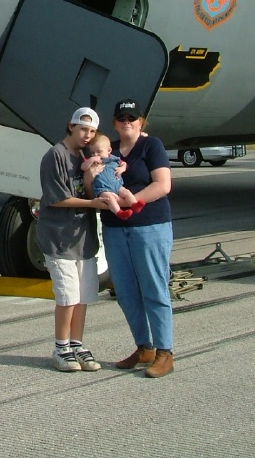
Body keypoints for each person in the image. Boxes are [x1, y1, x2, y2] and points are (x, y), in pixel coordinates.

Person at [88, 99, 173, 378]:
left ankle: (164, 352)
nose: (127, 122)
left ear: (141, 121)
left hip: (149, 225)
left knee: (153, 288)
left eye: (132, 118)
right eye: (122, 118)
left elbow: (162, 185)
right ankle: (143, 347)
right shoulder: (106, 149)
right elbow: (92, 186)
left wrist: (132, 201)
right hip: (114, 227)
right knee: (124, 291)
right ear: (114, 122)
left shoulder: (151, 146)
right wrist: (91, 176)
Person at [36, 107, 109, 372]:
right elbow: (57, 198)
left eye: (92, 131)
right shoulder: (55, 155)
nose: (87, 135)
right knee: (67, 296)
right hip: (60, 239)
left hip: (84, 239)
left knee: (83, 296)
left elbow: (93, 187)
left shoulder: (86, 156)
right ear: (71, 126)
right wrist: (93, 202)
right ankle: (61, 347)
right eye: (83, 129)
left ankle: (77, 344)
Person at [83, 133, 145, 220]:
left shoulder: (114, 158)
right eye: (93, 152)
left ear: (109, 150)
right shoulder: (92, 161)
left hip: (117, 185)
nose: (95, 155)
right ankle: (119, 213)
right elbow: (83, 167)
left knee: (126, 192)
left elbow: (124, 163)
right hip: (102, 188)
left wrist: (122, 168)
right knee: (110, 198)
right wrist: (91, 160)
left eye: (99, 151)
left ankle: (135, 205)